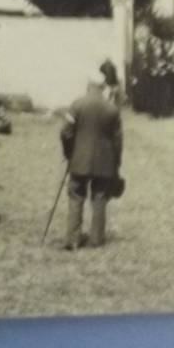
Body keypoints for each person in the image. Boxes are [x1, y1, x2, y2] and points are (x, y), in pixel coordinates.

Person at [59, 73, 124, 250]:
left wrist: (69, 152)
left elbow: (65, 132)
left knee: (76, 196)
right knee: (100, 198)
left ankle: (72, 238)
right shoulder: (112, 109)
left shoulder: (77, 104)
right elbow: (118, 141)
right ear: (103, 88)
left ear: (88, 85)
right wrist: (116, 163)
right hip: (105, 161)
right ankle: (96, 239)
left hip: (79, 160)